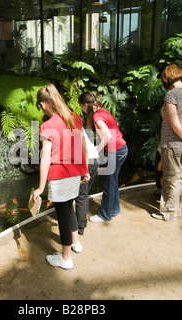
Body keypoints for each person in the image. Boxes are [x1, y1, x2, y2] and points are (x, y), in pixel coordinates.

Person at [32, 84, 90, 270]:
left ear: (43, 105)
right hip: (74, 174)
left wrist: (40, 187)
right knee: (69, 208)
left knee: (63, 215)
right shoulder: (73, 118)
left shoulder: (48, 126)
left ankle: (65, 259)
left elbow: (45, 159)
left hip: (60, 176)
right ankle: (75, 242)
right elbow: (82, 146)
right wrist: (85, 169)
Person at [152, 63, 182, 222]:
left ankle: (168, 213)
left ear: (167, 77)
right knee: (180, 177)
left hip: (173, 143)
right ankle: (177, 209)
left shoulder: (171, 95)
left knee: (171, 177)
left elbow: (174, 123)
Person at [78, 91, 128, 223]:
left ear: (86, 104)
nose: (82, 111)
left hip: (116, 150)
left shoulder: (96, 117)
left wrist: (96, 149)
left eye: (82, 107)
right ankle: (114, 210)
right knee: (113, 181)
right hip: (120, 149)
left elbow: (108, 135)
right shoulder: (102, 111)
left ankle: (105, 214)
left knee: (108, 182)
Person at [74, 96, 100, 235]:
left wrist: (84, 169)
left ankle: (80, 227)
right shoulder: (77, 123)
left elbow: (81, 149)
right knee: (84, 194)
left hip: (88, 160)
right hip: (94, 159)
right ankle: (81, 223)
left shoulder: (71, 129)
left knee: (81, 196)